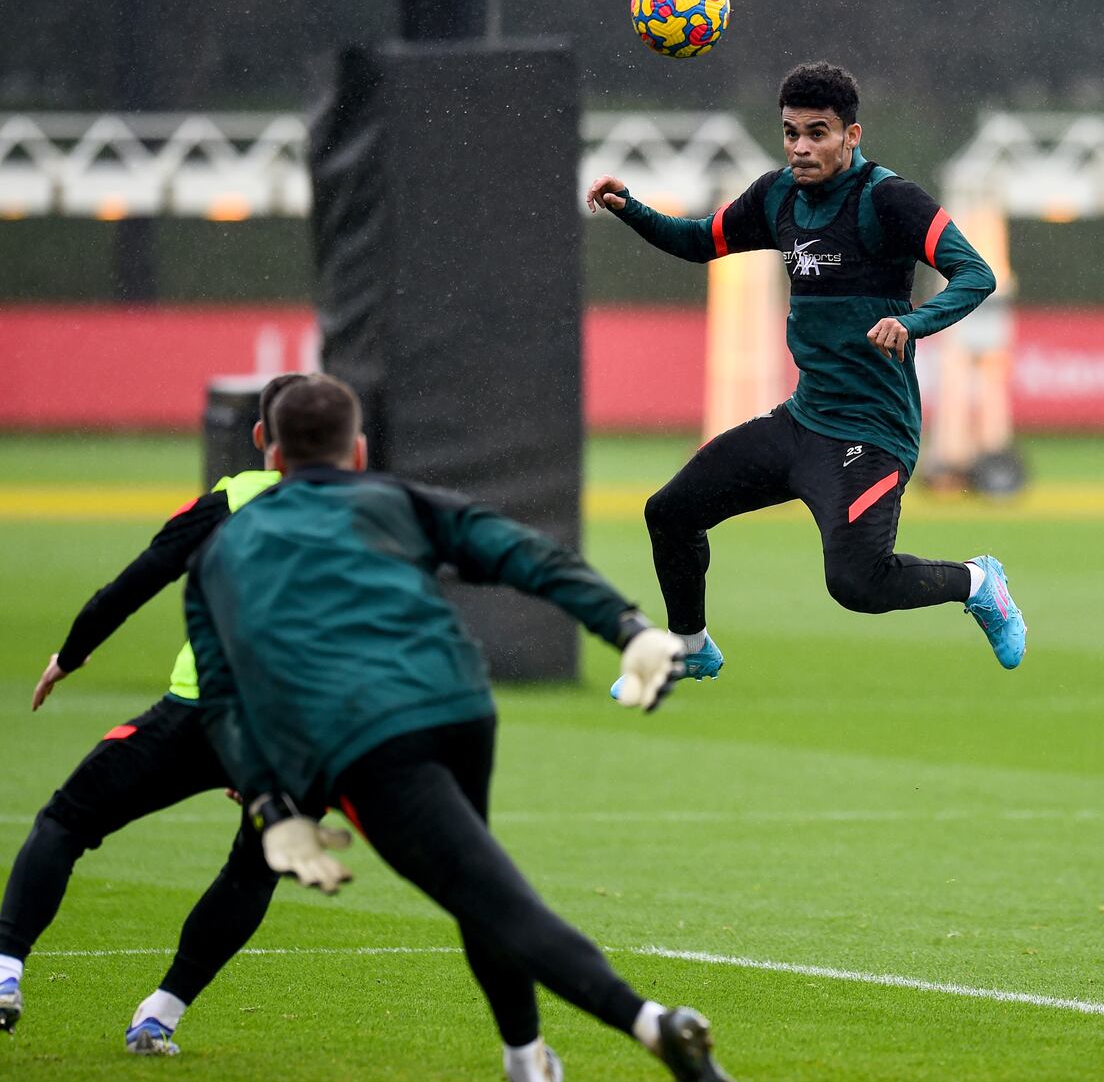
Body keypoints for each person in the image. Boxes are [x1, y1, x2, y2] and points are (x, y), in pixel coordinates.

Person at [187, 373, 736, 1082]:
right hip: (459, 704)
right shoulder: (396, 499)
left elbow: (224, 698)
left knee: (489, 894)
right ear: (357, 451)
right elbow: (526, 554)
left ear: (267, 450)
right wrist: (626, 626)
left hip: (368, 737)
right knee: (478, 882)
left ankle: (654, 1025)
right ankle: (525, 1060)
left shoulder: (221, 552)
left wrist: (268, 803)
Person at [586, 60, 1027, 690]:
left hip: (872, 435)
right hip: (802, 421)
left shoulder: (888, 199)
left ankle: (980, 584)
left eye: (817, 133)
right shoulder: (777, 196)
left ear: (852, 135)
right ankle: (691, 645)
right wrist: (629, 207)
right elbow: (698, 241)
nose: (800, 147)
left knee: (855, 584)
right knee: (670, 512)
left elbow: (976, 274)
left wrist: (915, 324)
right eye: (791, 132)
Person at [0, 373, 306, 1054]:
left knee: (65, 820)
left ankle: (4, 967)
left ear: (261, 437)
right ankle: (159, 1014)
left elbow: (142, 576)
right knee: (253, 869)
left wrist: (72, 652)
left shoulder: (229, 502)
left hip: (191, 716)